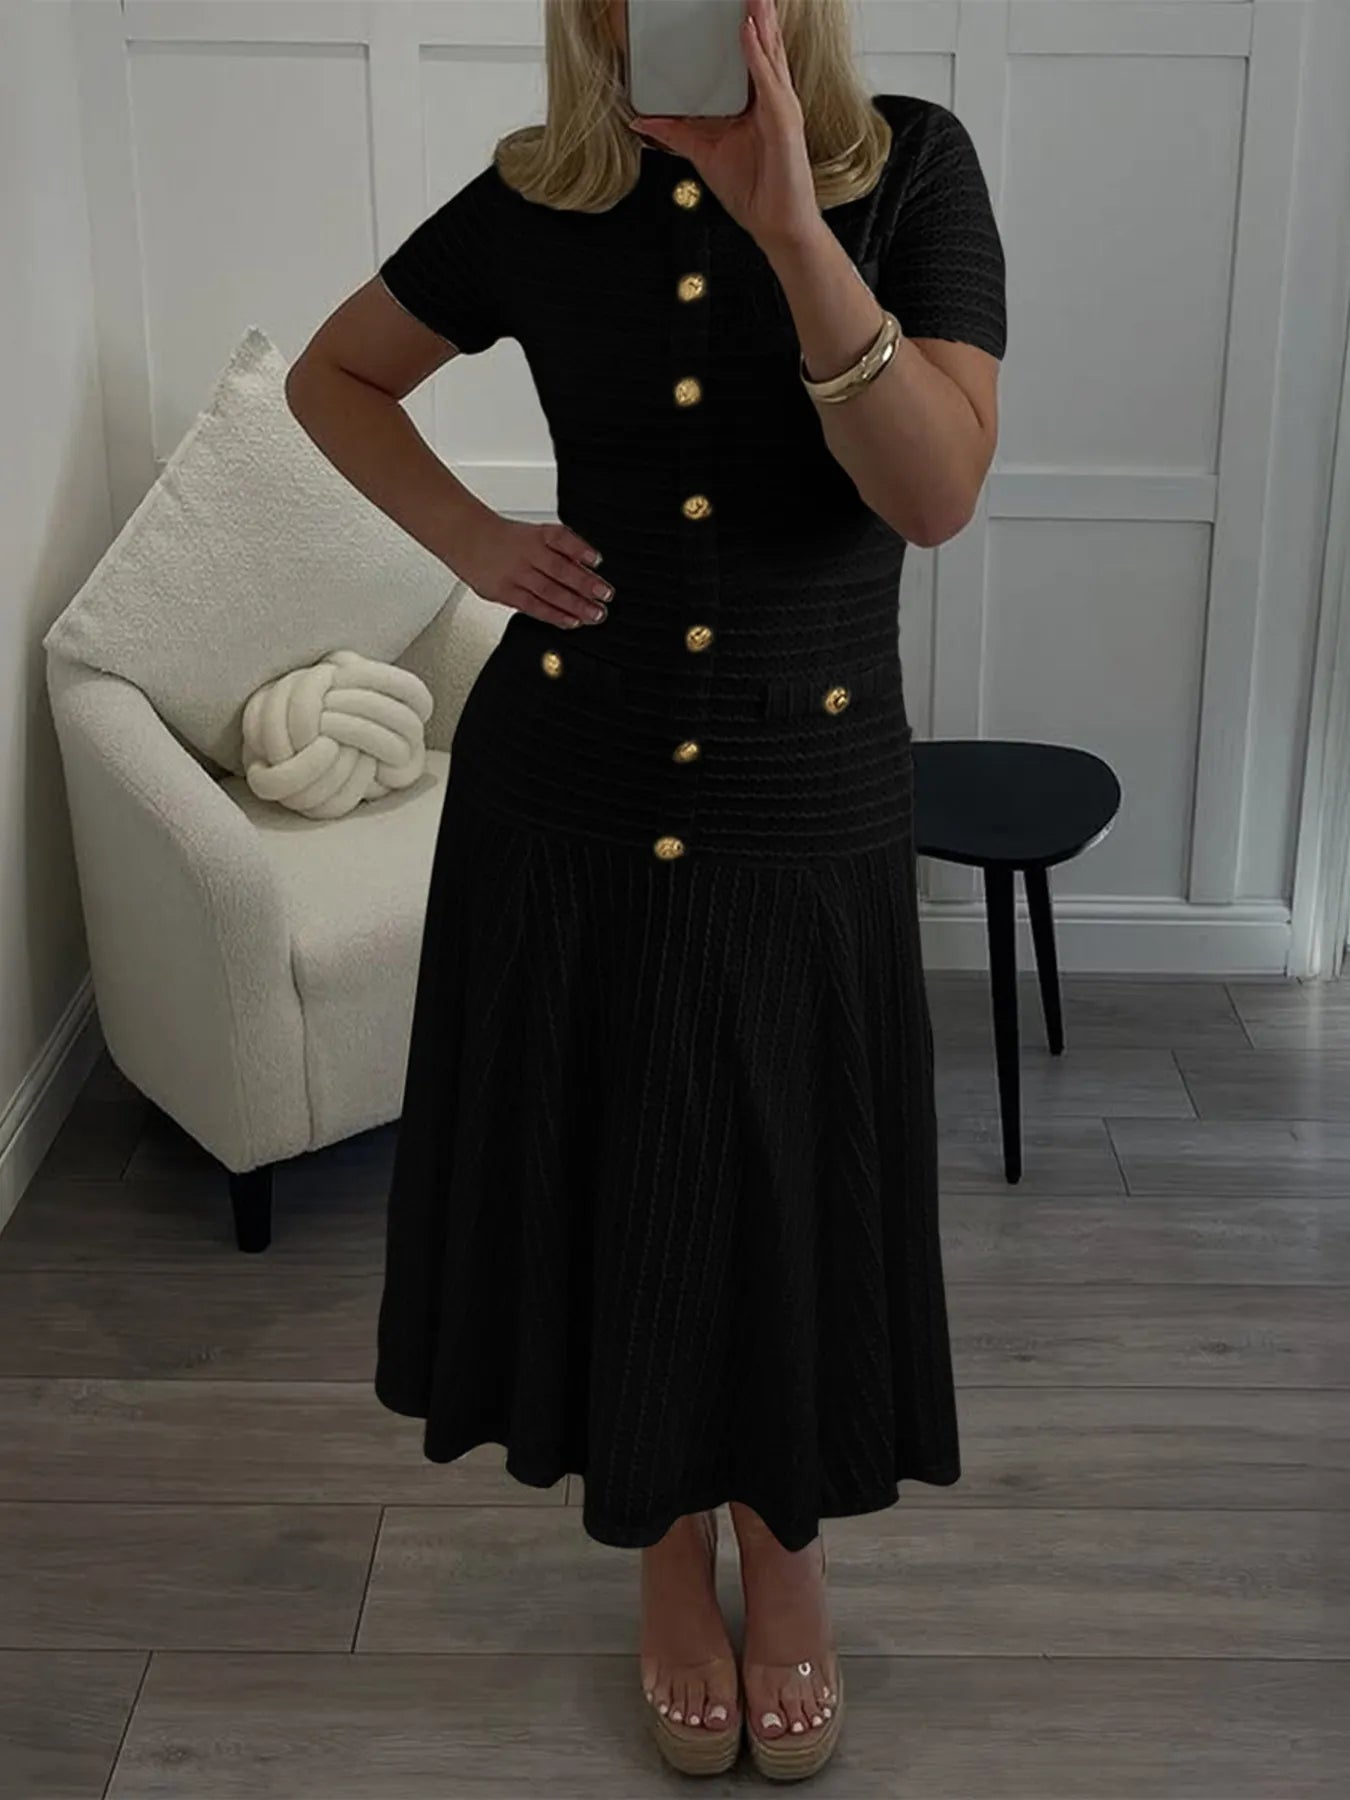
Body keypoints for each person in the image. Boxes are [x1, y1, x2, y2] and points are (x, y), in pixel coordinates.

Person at [286, 0, 1005, 1778]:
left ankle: (788, 1541)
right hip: (569, 783)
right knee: (616, 1173)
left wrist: (787, 227)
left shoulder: (908, 170)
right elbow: (333, 375)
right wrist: (468, 541)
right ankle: (665, 1550)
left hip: (804, 781)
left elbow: (932, 493)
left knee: (788, 1182)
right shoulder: (538, 191)